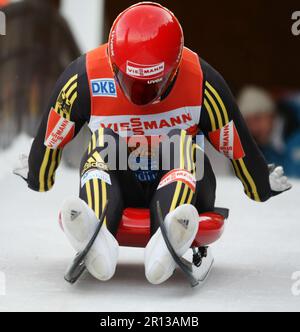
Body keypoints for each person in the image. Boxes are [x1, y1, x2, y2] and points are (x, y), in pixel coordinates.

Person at [14, 3, 291, 285]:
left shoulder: (202, 84)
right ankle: (98, 232)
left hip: (186, 186)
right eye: (130, 82)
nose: (140, 95)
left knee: (182, 143)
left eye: (152, 85)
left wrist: (259, 183)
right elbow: (51, 135)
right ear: (112, 65)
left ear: (173, 70)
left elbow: (236, 142)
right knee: (103, 140)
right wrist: (38, 172)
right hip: (120, 186)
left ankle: (169, 231)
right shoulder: (84, 77)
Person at [238, 86, 300, 178]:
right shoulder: (254, 151)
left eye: (257, 118)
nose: (253, 128)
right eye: (248, 122)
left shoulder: (296, 134)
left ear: (271, 114)